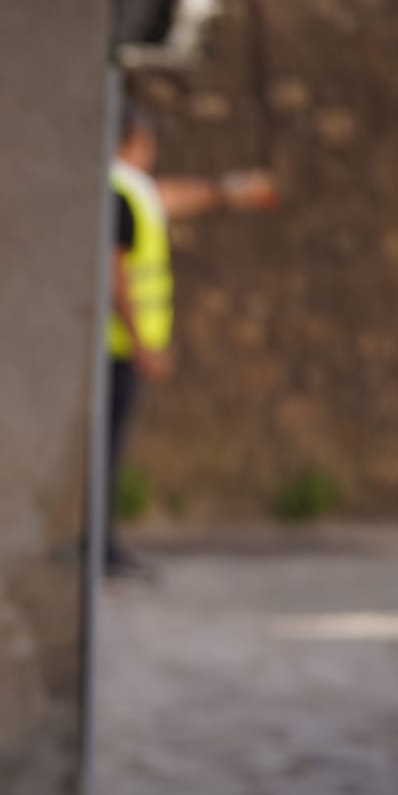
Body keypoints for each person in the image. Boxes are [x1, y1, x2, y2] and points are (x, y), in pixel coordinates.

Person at [106, 105, 277, 576]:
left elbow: (170, 196)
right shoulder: (118, 191)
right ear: (138, 141)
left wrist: (229, 190)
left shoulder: (127, 189)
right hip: (115, 347)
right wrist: (141, 343)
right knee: (104, 454)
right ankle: (101, 549)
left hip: (119, 345)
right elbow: (115, 276)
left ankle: (104, 545)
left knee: (109, 452)